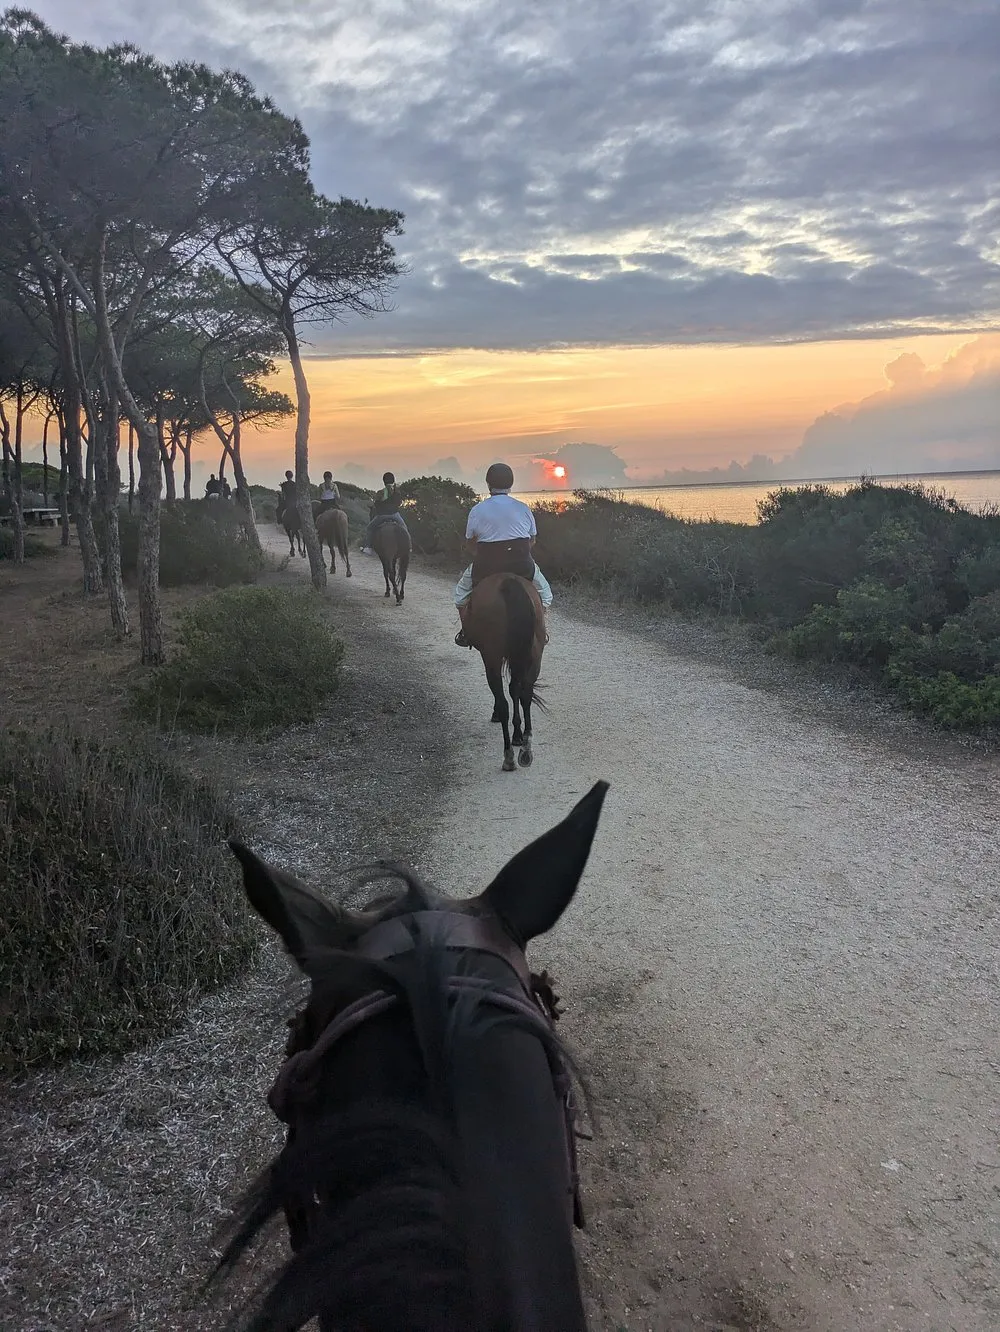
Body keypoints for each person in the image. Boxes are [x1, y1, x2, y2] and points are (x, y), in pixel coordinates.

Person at [454, 462, 553, 647]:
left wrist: (482, 554)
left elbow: (470, 543)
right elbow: (532, 540)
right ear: (511, 484)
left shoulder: (477, 510)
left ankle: (466, 633)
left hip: (486, 566)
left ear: (488, 483)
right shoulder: (523, 508)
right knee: (546, 596)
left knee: (460, 595)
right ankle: (540, 631)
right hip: (521, 564)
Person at [361, 472, 409, 553]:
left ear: (384, 481)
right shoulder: (397, 492)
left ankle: (368, 547)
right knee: (404, 528)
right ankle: (408, 547)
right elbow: (399, 503)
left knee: (369, 528)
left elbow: (376, 504)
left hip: (382, 515)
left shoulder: (380, 492)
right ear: (393, 480)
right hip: (394, 514)